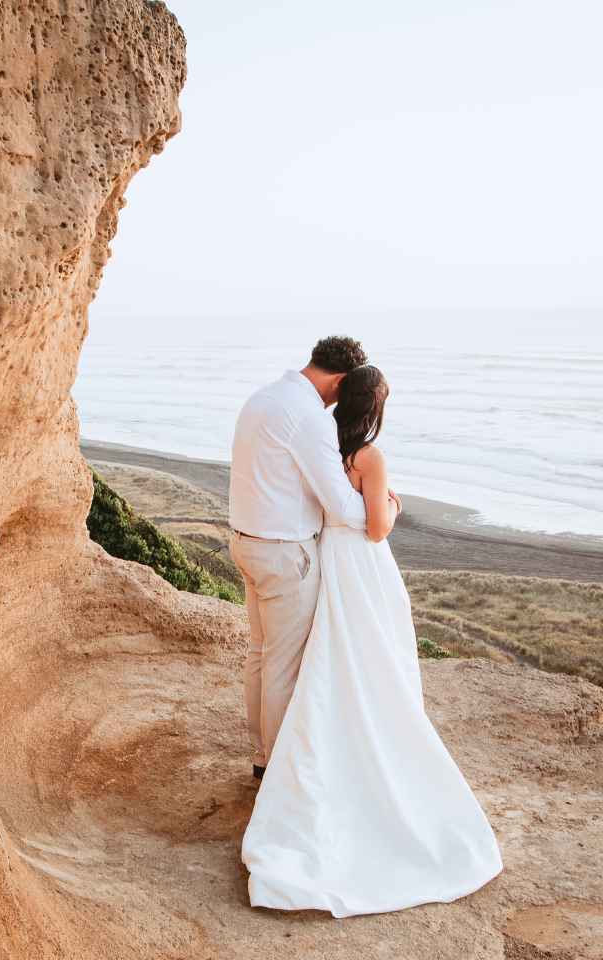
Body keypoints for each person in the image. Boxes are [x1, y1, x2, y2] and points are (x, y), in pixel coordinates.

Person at [239, 362, 504, 918]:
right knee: (374, 656)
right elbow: (377, 528)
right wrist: (393, 506)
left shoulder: (326, 445)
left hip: (329, 559)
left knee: (324, 657)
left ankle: (278, 756)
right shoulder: (368, 456)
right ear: (376, 407)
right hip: (361, 565)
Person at [229, 336, 389, 778]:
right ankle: (281, 772)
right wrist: (386, 506)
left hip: (246, 541)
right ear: (339, 381)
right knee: (283, 665)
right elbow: (344, 508)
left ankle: (262, 756)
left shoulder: (262, 398)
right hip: (284, 555)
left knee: (261, 654)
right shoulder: (308, 417)